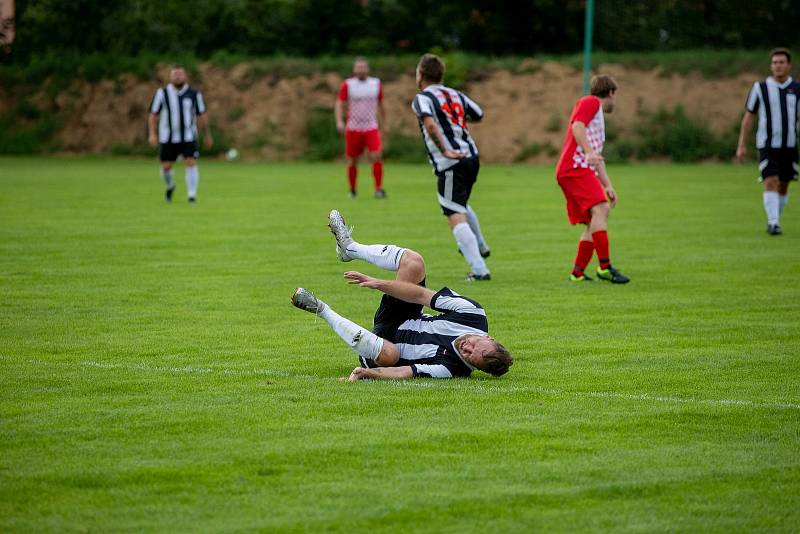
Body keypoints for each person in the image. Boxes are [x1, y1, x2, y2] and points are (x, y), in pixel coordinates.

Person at [291, 210, 513, 381]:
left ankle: (321, 309)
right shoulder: (473, 314)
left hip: (384, 348)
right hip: (401, 317)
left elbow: (405, 372)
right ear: (488, 337)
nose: (467, 347)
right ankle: (350, 248)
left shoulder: (452, 368)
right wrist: (379, 283)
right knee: (414, 262)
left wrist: (369, 374)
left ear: (474, 367)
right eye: (475, 344)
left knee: (391, 355)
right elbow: (419, 295)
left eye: (470, 356)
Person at [411, 53, 492, 282]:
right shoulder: (455, 94)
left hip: (450, 162)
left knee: (453, 213)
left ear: (421, 75)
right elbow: (478, 114)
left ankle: (479, 270)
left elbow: (429, 122)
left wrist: (445, 148)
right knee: (460, 204)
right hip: (471, 156)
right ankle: (480, 246)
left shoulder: (422, 98)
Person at [555, 75, 629, 284]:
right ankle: (605, 267)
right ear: (611, 93)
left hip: (579, 168)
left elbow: (597, 158)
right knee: (601, 209)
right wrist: (587, 152)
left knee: (594, 220)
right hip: (574, 167)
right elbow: (577, 126)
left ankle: (577, 273)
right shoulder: (591, 102)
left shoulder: (596, 116)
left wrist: (608, 185)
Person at [736, 48, 799, 235]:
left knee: (784, 184)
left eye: (781, 62)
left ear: (789, 65)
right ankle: (773, 223)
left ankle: (774, 219)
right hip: (767, 145)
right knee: (770, 180)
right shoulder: (760, 88)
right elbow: (748, 117)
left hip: (789, 145)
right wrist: (741, 145)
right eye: (775, 63)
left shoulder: (796, 89)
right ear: (771, 66)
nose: (778, 66)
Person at [148, 66, 213, 203]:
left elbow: (202, 115)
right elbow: (153, 114)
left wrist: (207, 135)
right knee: (166, 166)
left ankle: (191, 195)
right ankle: (170, 186)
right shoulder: (162, 93)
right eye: (175, 74)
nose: (178, 77)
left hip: (189, 136)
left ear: (185, 76)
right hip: (167, 137)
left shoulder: (194, 94)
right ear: (170, 77)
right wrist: (152, 134)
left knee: (190, 162)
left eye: (180, 74)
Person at [335, 57, 386, 199]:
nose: (361, 70)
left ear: (367, 69)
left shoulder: (375, 84)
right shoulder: (348, 85)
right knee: (352, 160)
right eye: (358, 67)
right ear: (354, 69)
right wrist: (339, 121)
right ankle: (352, 190)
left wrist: (384, 123)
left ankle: (378, 189)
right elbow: (339, 103)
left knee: (376, 155)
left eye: (363, 67)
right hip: (353, 128)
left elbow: (381, 104)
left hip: (371, 126)